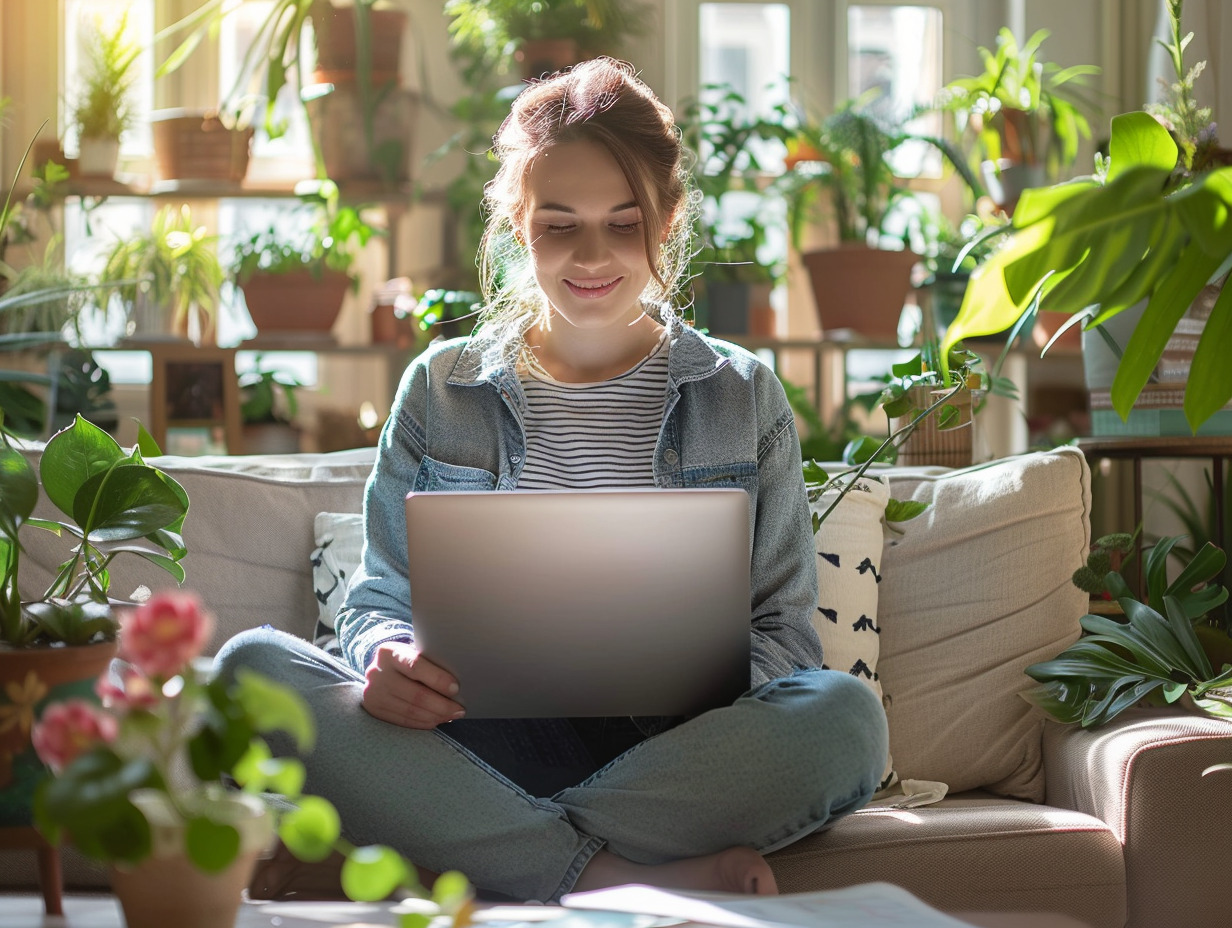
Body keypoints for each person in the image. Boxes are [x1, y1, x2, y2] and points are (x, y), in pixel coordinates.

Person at [214, 56, 888, 904]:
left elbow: (786, 639)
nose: (593, 255)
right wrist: (385, 655)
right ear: (518, 224)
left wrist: (693, 681)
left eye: (624, 220)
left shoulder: (741, 394)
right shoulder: (441, 385)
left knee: (846, 720)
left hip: (681, 753)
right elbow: (378, 600)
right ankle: (608, 875)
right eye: (559, 224)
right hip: (475, 738)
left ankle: (492, 848)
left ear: (669, 221)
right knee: (252, 672)